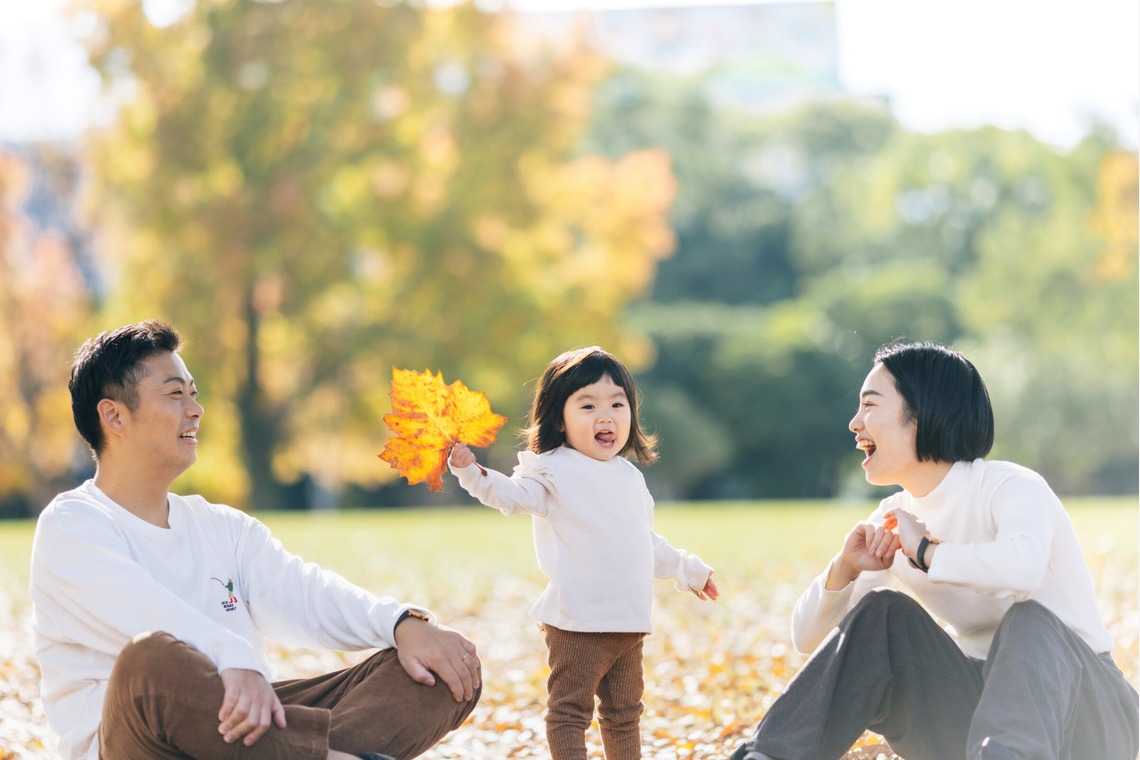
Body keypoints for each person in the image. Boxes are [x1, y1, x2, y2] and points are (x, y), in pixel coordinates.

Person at [30, 320, 481, 760]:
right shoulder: (72, 526)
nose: (195, 410)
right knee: (151, 660)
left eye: (193, 394)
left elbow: (306, 593)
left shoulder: (221, 527)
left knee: (441, 668)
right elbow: (149, 616)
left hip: (244, 735)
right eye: (174, 394)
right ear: (114, 416)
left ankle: (309, 753)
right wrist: (234, 656)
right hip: (139, 744)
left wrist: (402, 623)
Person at [729, 341, 1139, 760]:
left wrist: (927, 552)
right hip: (982, 721)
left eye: (869, 405)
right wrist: (844, 570)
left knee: (1029, 619)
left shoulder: (1010, 486)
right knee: (882, 613)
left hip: (1089, 714)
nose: (854, 423)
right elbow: (808, 640)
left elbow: (1023, 571)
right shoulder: (893, 518)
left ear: (923, 414)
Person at [447, 345, 719, 760]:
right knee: (570, 713)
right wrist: (470, 471)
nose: (605, 416)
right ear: (559, 418)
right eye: (588, 405)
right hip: (579, 622)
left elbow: (642, 542)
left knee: (625, 714)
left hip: (628, 620)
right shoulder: (553, 469)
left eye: (617, 404)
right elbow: (509, 495)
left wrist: (687, 570)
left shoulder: (628, 477)